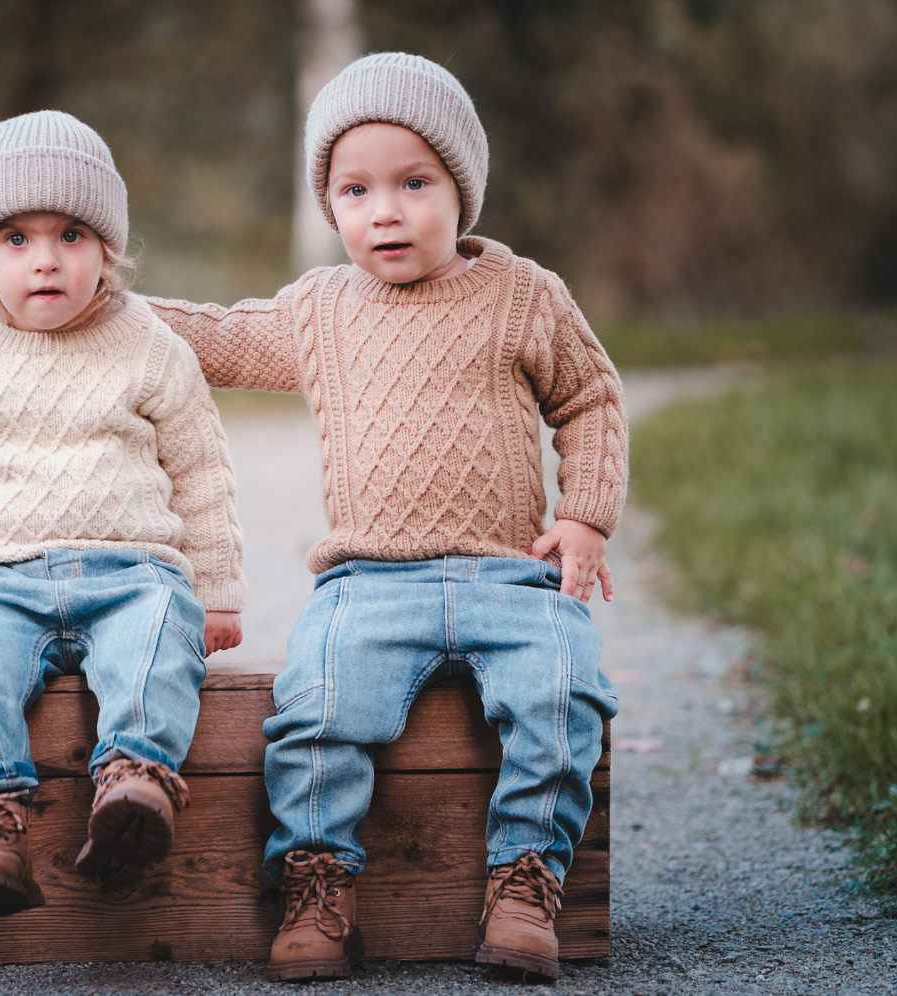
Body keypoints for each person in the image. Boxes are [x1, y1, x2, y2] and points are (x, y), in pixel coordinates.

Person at [146, 53, 626, 983]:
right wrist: (109, 306)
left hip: (509, 574)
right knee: (314, 706)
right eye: (355, 189)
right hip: (369, 582)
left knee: (566, 690)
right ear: (329, 204)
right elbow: (223, 334)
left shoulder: (525, 294)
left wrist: (587, 517)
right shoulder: (322, 307)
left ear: (462, 189)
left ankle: (526, 881)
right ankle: (319, 883)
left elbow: (591, 400)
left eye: (415, 183)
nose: (386, 211)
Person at [0, 110, 245, 919]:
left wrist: (221, 587)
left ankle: (136, 780)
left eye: (71, 236)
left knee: (159, 642)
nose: (46, 260)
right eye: (16, 239)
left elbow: (201, 469)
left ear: (109, 251)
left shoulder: (151, 344)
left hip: (134, 570)